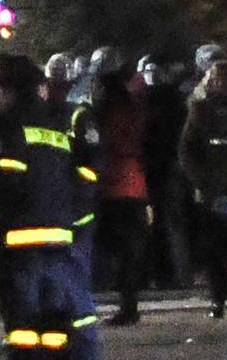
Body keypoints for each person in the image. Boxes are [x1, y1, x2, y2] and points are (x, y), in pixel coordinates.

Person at [0, 55, 101, 360]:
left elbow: (6, 182)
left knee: (24, 323)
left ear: (7, 91)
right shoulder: (56, 120)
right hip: (60, 234)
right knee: (55, 318)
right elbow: (75, 173)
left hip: (21, 240)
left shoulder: (6, 125)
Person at [78, 70, 152, 325]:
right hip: (135, 185)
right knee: (132, 250)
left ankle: (120, 303)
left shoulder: (104, 116)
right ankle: (129, 303)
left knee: (114, 248)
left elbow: (102, 146)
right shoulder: (135, 113)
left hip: (113, 186)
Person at [177, 59, 227, 316]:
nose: (221, 85)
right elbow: (187, 152)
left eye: (226, 80)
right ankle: (218, 299)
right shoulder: (200, 111)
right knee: (214, 249)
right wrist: (202, 182)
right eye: (216, 80)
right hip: (211, 193)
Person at [135, 55, 189, 289]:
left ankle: (159, 274)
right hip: (168, 167)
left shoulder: (141, 101)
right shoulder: (176, 100)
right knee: (171, 223)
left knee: (153, 224)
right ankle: (175, 275)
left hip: (152, 169)